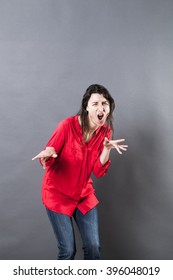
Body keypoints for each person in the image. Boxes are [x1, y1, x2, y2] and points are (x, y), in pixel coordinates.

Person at [32, 84, 128, 260]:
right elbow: (49, 154)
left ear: (109, 107)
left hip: (83, 194)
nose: (101, 108)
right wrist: (47, 154)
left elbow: (98, 172)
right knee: (68, 251)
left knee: (93, 248)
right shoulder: (67, 126)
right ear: (86, 107)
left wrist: (106, 149)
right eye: (95, 103)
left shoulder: (105, 131)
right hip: (57, 194)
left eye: (104, 103)